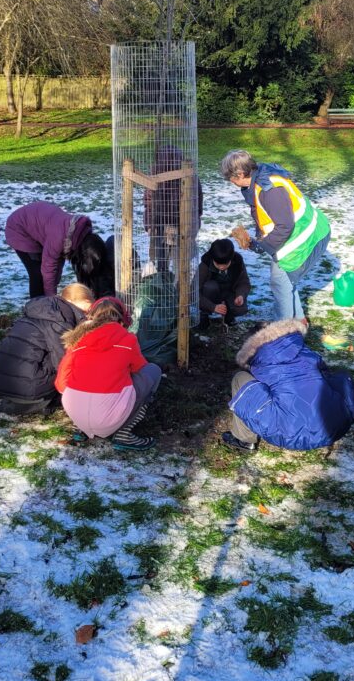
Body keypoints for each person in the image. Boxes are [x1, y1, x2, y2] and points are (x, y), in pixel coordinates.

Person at [221, 149, 331, 326]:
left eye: (231, 178)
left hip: (306, 237)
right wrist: (258, 239)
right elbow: (264, 215)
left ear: (240, 174)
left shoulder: (269, 190)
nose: (231, 182)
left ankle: (285, 331)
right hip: (309, 231)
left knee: (280, 281)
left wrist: (263, 246)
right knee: (286, 281)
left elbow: (285, 226)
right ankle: (300, 321)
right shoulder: (261, 177)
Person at [221, 318, 354, 453]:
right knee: (337, 377)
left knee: (241, 379)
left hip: (290, 434)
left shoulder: (260, 360)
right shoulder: (305, 351)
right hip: (334, 425)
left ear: (251, 344)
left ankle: (244, 439)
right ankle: (330, 413)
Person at [55, 296, 161, 451]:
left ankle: (82, 428)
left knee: (82, 383)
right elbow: (140, 368)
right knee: (153, 371)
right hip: (109, 415)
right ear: (123, 319)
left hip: (76, 412)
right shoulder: (128, 339)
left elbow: (61, 383)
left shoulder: (77, 340)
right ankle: (124, 433)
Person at [0, 283, 94, 418]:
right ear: (71, 301)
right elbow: (63, 361)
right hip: (26, 387)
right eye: (87, 303)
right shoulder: (59, 321)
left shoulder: (41, 311)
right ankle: (39, 401)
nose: (89, 309)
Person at [5, 200, 99, 298]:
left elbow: (58, 261)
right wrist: (51, 298)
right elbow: (49, 268)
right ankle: (36, 307)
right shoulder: (59, 238)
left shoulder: (75, 234)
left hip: (37, 221)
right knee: (37, 274)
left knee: (47, 275)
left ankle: (44, 303)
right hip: (18, 229)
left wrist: (54, 285)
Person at [144, 144, 203, 274]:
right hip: (165, 226)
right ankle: (171, 286)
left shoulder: (188, 175)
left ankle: (173, 287)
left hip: (178, 225)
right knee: (176, 263)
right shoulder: (189, 173)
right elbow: (199, 203)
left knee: (175, 261)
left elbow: (148, 203)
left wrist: (149, 225)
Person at [197, 237, 251, 330]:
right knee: (210, 287)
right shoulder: (205, 265)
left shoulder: (238, 261)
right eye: (218, 264)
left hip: (229, 292)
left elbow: (244, 282)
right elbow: (194, 292)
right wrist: (212, 306)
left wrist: (240, 295)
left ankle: (229, 316)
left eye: (225, 264)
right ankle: (204, 315)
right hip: (211, 294)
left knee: (241, 309)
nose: (221, 267)